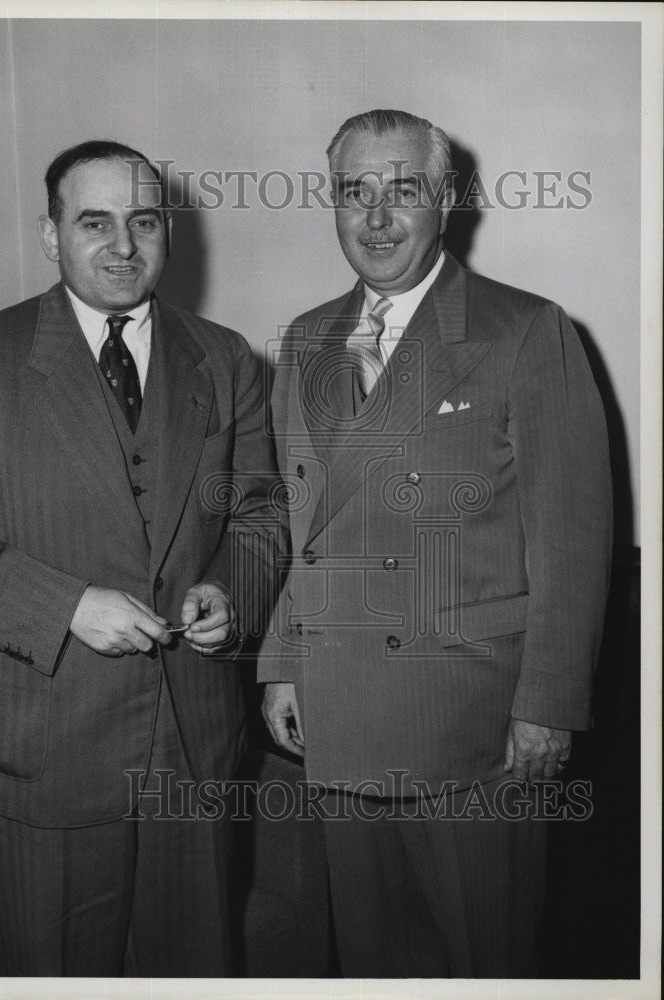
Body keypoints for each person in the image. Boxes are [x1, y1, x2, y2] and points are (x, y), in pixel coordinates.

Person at [0, 140, 285, 977]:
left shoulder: (225, 356)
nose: (122, 246)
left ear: (167, 232)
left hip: (196, 743)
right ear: (50, 235)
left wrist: (229, 588)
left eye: (143, 221)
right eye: (93, 222)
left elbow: (258, 510)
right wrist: (65, 606)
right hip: (45, 750)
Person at [260, 110, 612, 977]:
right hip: (340, 709)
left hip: (474, 723)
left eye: (402, 189)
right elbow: (303, 525)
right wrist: (280, 660)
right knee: (377, 961)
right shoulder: (304, 339)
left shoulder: (525, 331)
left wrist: (548, 706)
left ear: (446, 200)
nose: (376, 217)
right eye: (354, 192)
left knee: (484, 959)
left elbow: (572, 539)